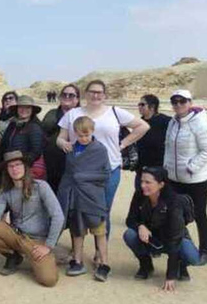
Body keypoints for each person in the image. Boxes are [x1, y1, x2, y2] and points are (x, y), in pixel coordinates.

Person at [57, 80, 150, 237]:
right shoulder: (73, 114)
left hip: (108, 169)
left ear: (105, 95)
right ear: (86, 93)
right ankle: (77, 253)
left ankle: (101, 254)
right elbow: (61, 137)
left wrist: (123, 144)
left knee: (103, 211)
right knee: (77, 210)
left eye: (99, 92)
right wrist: (63, 143)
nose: (95, 95)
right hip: (80, 171)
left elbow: (143, 126)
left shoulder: (115, 112)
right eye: (92, 91)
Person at [0, 151, 62, 287]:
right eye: (10, 166)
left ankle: (45, 257)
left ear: (25, 167)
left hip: (37, 241)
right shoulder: (5, 191)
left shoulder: (41, 186)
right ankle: (13, 256)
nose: (15, 169)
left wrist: (48, 245)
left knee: (49, 280)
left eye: (18, 164)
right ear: (7, 170)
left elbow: (57, 215)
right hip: (17, 235)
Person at [124, 166, 200, 292]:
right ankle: (146, 265)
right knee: (129, 235)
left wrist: (170, 276)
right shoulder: (139, 195)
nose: (143, 185)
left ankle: (182, 265)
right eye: (142, 181)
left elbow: (175, 239)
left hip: (174, 238)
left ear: (161, 184)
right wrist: (140, 226)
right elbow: (130, 219)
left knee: (194, 258)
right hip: (151, 238)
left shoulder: (174, 202)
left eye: (148, 182)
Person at [164, 89, 207, 265]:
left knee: (199, 214)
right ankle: (181, 248)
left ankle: (205, 250)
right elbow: (168, 148)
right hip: (174, 179)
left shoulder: (199, 123)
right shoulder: (173, 122)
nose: (178, 105)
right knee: (175, 214)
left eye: (182, 101)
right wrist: (166, 169)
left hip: (196, 180)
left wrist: (191, 167)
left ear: (190, 102)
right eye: (175, 102)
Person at [57, 117, 112, 281]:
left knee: (99, 231)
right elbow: (68, 174)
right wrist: (64, 192)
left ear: (93, 131)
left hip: (94, 198)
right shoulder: (71, 150)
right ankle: (77, 261)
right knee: (77, 231)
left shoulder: (100, 150)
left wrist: (83, 177)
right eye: (80, 135)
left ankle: (104, 264)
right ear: (75, 133)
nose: (84, 138)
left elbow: (105, 174)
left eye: (86, 135)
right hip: (75, 198)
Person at [41, 83, 81, 193]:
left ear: (77, 99)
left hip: (74, 164)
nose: (67, 97)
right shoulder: (51, 114)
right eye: (64, 94)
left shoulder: (82, 116)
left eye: (71, 95)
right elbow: (42, 134)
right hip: (51, 163)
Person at [0, 95, 46, 180]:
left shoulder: (34, 127)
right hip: (12, 169)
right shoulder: (13, 125)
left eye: (27, 107)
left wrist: (21, 165)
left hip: (26, 171)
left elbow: (36, 152)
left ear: (32, 110)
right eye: (21, 107)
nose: (24, 110)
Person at [135, 94, 171, 188]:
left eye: (142, 104)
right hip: (141, 170)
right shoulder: (139, 122)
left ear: (152, 107)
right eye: (139, 104)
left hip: (158, 169)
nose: (139, 107)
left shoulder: (165, 121)